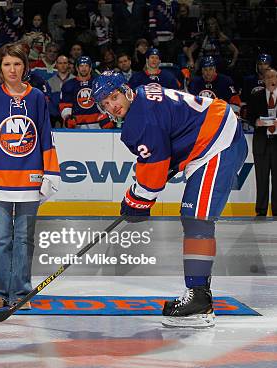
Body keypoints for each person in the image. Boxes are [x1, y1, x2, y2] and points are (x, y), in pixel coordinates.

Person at [91, 71, 247, 328]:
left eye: (114, 96)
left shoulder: (140, 120)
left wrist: (136, 201)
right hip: (212, 137)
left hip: (217, 141)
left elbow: (153, 176)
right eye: (105, 103)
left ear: (126, 90)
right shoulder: (142, 98)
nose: (112, 106)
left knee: (197, 218)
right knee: (194, 218)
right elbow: (167, 142)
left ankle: (199, 300)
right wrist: (140, 194)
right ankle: (198, 294)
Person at [0, 42, 60, 310]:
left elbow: (45, 137)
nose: (12, 69)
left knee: (23, 239)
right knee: (1, 240)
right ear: (0, 68)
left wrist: (51, 174)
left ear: (26, 67)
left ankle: (21, 292)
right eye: (7, 64)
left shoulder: (36, 99)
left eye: (17, 64)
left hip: (29, 182)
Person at [248, 68, 277, 218]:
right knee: (261, 178)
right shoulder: (256, 96)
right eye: (267, 77)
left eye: (273, 77)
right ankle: (261, 210)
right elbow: (249, 116)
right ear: (263, 80)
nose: (270, 80)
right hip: (261, 143)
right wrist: (256, 121)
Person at [60, 56, 112, 129]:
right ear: (77, 68)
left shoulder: (99, 82)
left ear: (90, 68)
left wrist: (108, 116)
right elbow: (65, 105)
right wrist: (68, 117)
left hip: (98, 124)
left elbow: (107, 102)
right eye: (81, 66)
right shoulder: (69, 85)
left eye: (86, 66)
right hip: (77, 125)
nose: (84, 68)